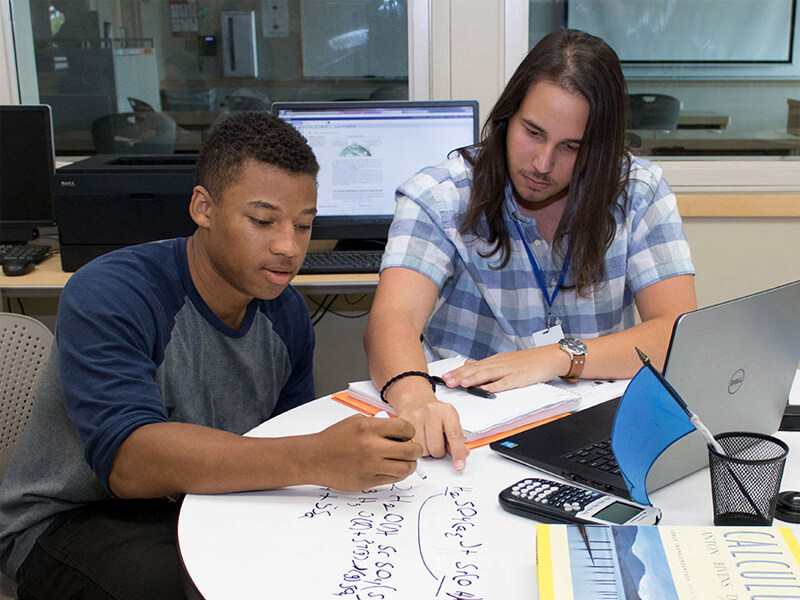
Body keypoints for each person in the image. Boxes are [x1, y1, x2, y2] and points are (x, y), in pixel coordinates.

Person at [0, 112, 422, 599]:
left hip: (203, 499)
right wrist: (317, 456)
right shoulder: (111, 292)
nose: (288, 247)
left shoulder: (286, 315)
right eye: (262, 221)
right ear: (203, 207)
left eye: (304, 226)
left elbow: (277, 443)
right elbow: (128, 461)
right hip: (72, 518)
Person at [364, 29, 696, 472]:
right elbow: (392, 319)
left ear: (601, 149)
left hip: (595, 436)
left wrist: (559, 358)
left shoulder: (637, 191)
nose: (542, 164)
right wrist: (414, 398)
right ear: (508, 117)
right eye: (532, 133)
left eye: (571, 148)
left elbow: (675, 331)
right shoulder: (441, 195)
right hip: (465, 439)